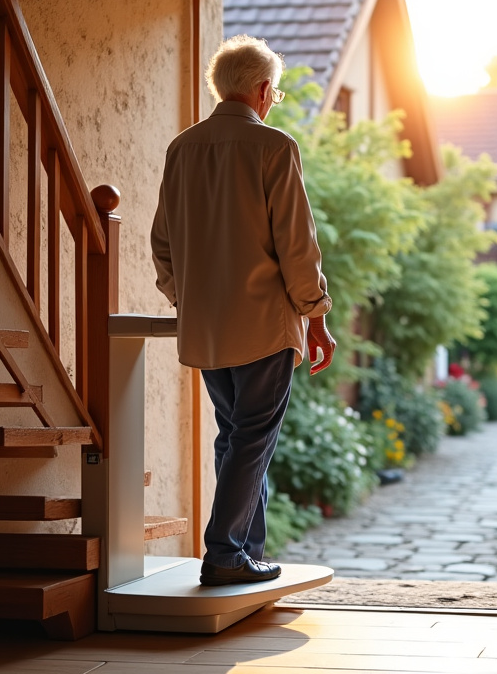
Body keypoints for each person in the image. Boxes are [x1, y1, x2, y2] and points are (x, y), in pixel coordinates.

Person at [151, 34, 336, 586]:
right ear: (261, 90)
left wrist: (186, 299)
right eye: (274, 94)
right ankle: (226, 553)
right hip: (263, 325)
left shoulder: (182, 148)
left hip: (207, 328)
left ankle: (245, 552)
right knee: (251, 437)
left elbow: (162, 242)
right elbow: (296, 246)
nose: (271, 101)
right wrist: (317, 313)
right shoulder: (274, 148)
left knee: (234, 437)